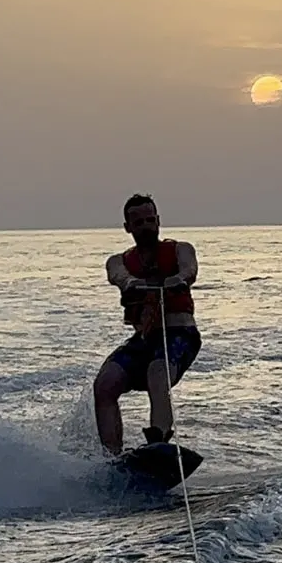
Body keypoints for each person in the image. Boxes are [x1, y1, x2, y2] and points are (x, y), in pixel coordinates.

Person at [94, 194, 201, 455]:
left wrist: (179, 278)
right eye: (139, 222)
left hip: (180, 334)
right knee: (104, 384)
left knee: (157, 372)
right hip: (144, 339)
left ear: (158, 221)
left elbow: (190, 268)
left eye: (150, 220)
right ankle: (112, 456)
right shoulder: (119, 261)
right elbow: (117, 274)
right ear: (128, 227)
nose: (146, 226)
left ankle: (159, 441)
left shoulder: (180, 250)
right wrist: (129, 283)